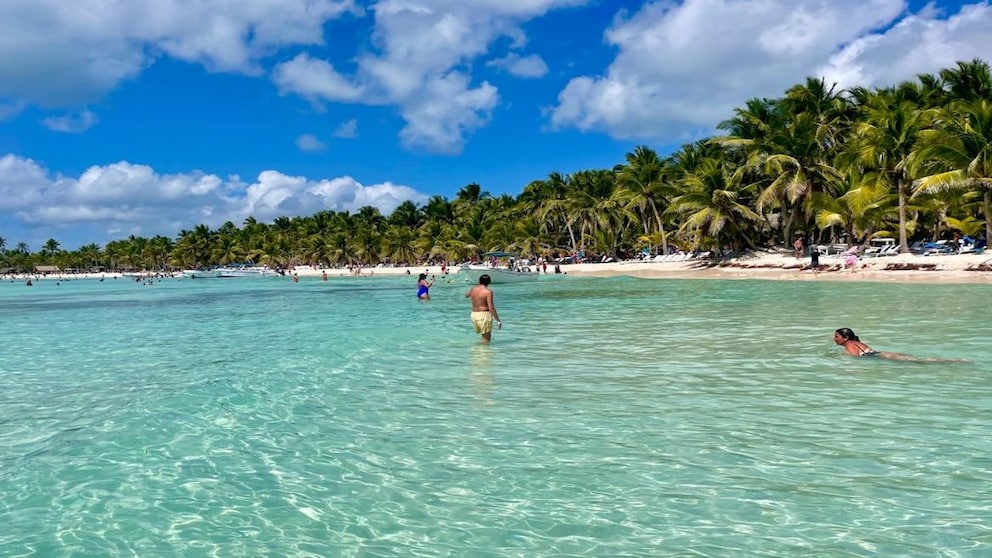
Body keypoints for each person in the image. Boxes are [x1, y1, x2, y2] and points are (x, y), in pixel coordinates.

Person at [833, 328, 968, 362]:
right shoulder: (857, 342)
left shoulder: (849, 345)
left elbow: (856, 358)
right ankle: (953, 360)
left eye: (837, 337)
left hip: (880, 357)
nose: (834, 339)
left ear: (845, 338)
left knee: (921, 362)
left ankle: (954, 361)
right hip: (881, 353)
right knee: (919, 360)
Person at [465, 274, 501, 344]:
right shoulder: (488, 292)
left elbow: (466, 295)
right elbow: (491, 307)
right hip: (484, 315)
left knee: (483, 336)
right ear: (489, 282)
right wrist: (498, 320)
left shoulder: (473, 289)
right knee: (486, 339)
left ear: (479, 281)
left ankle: (479, 352)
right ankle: (484, 354)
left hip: (474, 315)